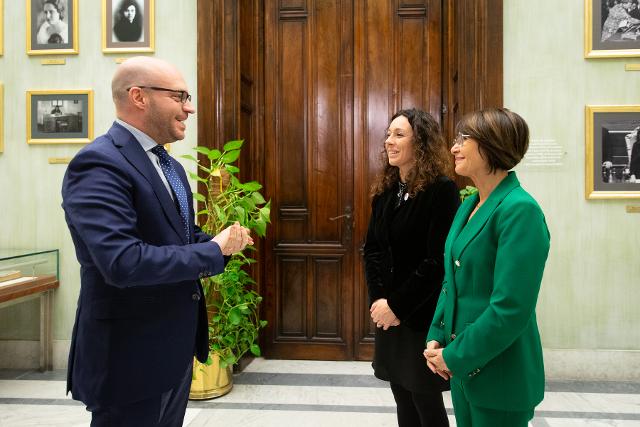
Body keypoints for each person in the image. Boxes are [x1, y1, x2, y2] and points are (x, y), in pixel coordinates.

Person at [61, 56, 252, 427]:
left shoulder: (170, 166)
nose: (189, 107)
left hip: (173, 351)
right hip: (129, 358)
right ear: (139, 97)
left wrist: (220, 243)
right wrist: (211, 250)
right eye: (180, 96)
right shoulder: (98, 164)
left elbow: (180, 235)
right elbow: (123, 262)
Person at [424, 108, 550, 427]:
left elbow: (510, 309)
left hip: (501, 374)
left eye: (462, 139)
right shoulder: (470, 204)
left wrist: (454, 356)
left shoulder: (520, 210)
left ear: (492, 145)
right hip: (465, 369)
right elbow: (451, 282)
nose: (453, 147)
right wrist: (437, 335)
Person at [364, 108, 460, 427]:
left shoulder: (441, 191)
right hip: (389, 316)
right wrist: (379, 302)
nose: (389, 141)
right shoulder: (386, 193)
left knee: (425, 398)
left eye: (399, 135)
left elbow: (437, 262)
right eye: (389, 134)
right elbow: (373, 251)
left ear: (420, 143)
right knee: (401, 394)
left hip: (421, 316)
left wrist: (397, 306)